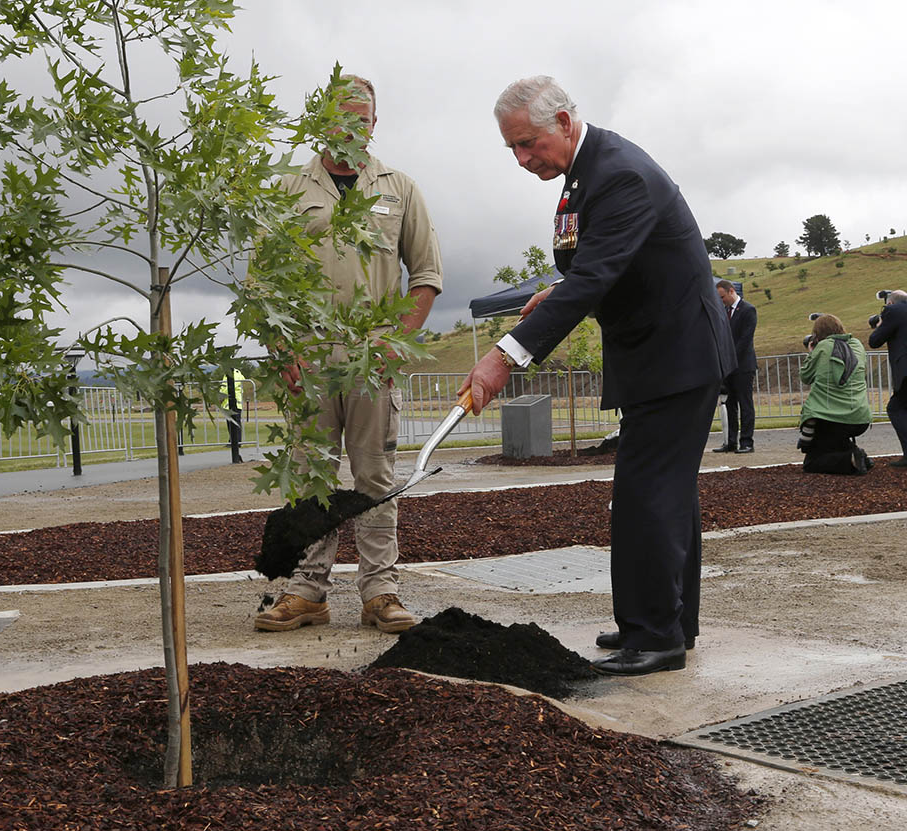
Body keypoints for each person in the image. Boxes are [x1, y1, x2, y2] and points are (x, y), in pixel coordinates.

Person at [459, 76, 735, 676]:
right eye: (512, 149)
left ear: (562, 120)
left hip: (676, 357)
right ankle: (669, 621)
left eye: (529, 144)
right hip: (658, 356)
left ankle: (655, 637)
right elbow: (592, 264)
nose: (523, 159)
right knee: (667, 496)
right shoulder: (583, 176)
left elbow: (594, 278)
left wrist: (504, 356)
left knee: (646, 498)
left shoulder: (619, 175)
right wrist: (554, 288)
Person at [255, 75, 444, 634]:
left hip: (371, 361)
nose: (351, 129)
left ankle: (380, 591)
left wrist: (395, 342)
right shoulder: (288, 190)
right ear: (321, 122)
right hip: (307, 362)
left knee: (374, 477)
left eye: (362, 119)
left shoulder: (400, 189)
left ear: (375, 123)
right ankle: (307, 591)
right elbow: (263, 282)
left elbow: (427, 276)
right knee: (310, 477)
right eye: (340, 119)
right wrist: (281, 348)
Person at [798, 314, 873, 475]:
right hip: (860, 417)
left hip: (832, 418)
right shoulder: (857, 345)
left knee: (811, 462)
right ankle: (860, 457)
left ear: (818, 334)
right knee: (833, 443)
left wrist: (811, 352)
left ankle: (851, 460)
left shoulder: (823, 347)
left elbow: (806, 376)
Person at [713, 280, 757, 454]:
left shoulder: (748, 310)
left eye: (723, 297)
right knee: (730, 405)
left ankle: (746, 442)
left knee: (745, 404)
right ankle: (730, 441)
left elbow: (745, 340)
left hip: (743, 365)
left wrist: (730, 358)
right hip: (728, 367)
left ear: (731, 292)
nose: (721, 301)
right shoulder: (723, 312)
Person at [869, 289, 907, 467]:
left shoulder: (892, 311)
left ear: (890, 303)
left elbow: (875, 341)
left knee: (895, 408)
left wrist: (881, 323)